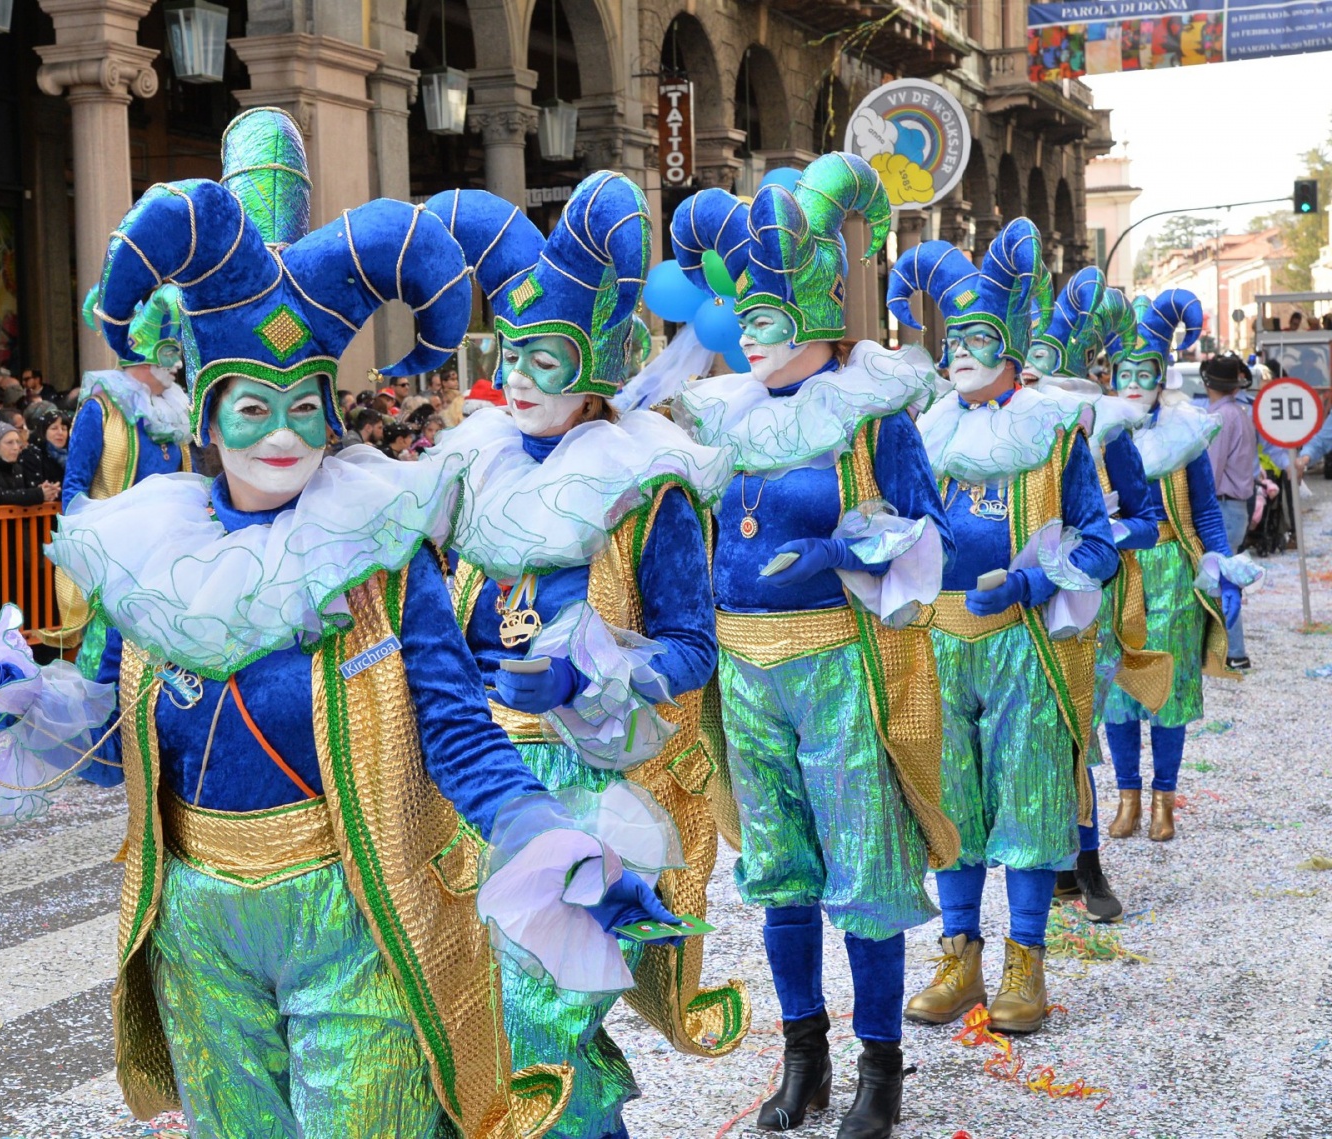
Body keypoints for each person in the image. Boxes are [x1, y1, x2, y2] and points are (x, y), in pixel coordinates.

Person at [0, 109, 673, 1139]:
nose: (281, 432)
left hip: (352, 920)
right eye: (251, 406)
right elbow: (109, 738)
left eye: (303, 402)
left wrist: (562, 850)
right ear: (208, 414)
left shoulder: (382, 562)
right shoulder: (152, 560)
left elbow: (457, 737)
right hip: (200, 934)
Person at [426, 171, 746, 1139]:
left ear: (596, 366)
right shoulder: (471, 470)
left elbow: (693, 649)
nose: (520, 377)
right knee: (474, 1032)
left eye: (547, 356)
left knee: (540, 1023)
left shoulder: (645, 485)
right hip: (475, 790)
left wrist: (588, 675)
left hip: (594, 789)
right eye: (509, 352)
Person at [668, 159, 957, 1137]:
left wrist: (838, 550)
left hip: (839, 664)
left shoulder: (869, 417)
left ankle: (881, 1066)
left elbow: (925, 534)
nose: (747, 338)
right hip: (744, 670)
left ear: (819, 318)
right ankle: (805, 1057)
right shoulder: (725, 417)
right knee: (779, 871)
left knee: (864, 870)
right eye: (741, 319)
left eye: (765, 320)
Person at [888, 219, 1120, 1035]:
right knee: (949, 802)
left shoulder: (1055, 433)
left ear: (1014, 350)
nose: (960, 352)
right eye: (954, 340)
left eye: (979, 339)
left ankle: (1027, 960)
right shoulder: (924, 432)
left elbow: (1100, 543)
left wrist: (1031, 580)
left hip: (1024, 646)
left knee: (1027, 801)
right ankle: (960, 955)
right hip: (936, 643)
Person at [1021, 268, 1167, 924]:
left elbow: (1149, 519)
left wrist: (1102, 533)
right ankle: (1044, 859)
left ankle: (1084, 860)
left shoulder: (1108, 434)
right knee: (1028, 734)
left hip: (1087, 610)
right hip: (1013, 609)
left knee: (1072, 731)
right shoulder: (997, 436)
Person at [1102, 291, 1258, 842]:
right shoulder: (1094, 435)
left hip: (1171, 569)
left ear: (1160, 377)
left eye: (1145, 373)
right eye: (1125, 373)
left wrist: (1219, 561)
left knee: (1169, 689)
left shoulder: (1185, 435)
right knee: (1117, 690)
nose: (1134, 383)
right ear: (1111, 378)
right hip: (1115, 572)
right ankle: (1127, 798)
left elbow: (1207, 511)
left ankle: (1163, 801)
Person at [54, 284, 193, 677]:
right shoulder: (99, 409)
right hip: (117, 559)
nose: (177, 364)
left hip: (170, 553)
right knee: (110, 656)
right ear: (144, 355)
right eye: (170, 353)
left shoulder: (174, 413)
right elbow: (74, 486)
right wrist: (86, 553)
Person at [1201, 353, 1257, 669]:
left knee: (1221, 580)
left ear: (1208, 384)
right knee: (1224, 579)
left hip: (1222, 506)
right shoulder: (1239, 413)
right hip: (1235, 507)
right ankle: (1230, 651)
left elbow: (1210, 471)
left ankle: (1234, 652)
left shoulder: (1220, 418)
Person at [0, 421, 60, 506]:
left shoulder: (17, 467)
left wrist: (45, 491)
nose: (16, 447)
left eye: (17, 442)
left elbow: (22, 493)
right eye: (9, 442)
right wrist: (38, 494)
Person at [20, 408, 69, 486]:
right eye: (54, 428)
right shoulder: (34, 455)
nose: (60, 433)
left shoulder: (73, 454)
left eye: (64, 429)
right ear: (43, 432)